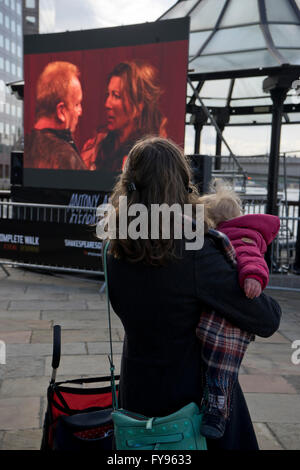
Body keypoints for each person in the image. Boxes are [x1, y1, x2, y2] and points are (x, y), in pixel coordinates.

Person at [103, 136, 281, 450]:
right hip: (195, 409)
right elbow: (266, 319)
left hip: (138, 395)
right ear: (181, 188)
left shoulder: (115, 248)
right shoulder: (196, 251)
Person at [195, 181, 280, 439]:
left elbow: (251, 258)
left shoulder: (238, 236)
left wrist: (253, 277)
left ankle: (217, 413)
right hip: (224, 315)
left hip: (230, 327)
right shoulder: (231, 233)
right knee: (217, 366)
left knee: (221, 368)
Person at [81, 60, 167, 173]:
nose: (107, 104)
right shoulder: (95, 148)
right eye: (108, 94)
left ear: (139, 104)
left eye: (116, 96)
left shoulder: (152, 156)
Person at [25, 61, 87, 170]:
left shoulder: (19, 148)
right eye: (77, 104)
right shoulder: (67, 159)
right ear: (61, 111)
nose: (80, 111)